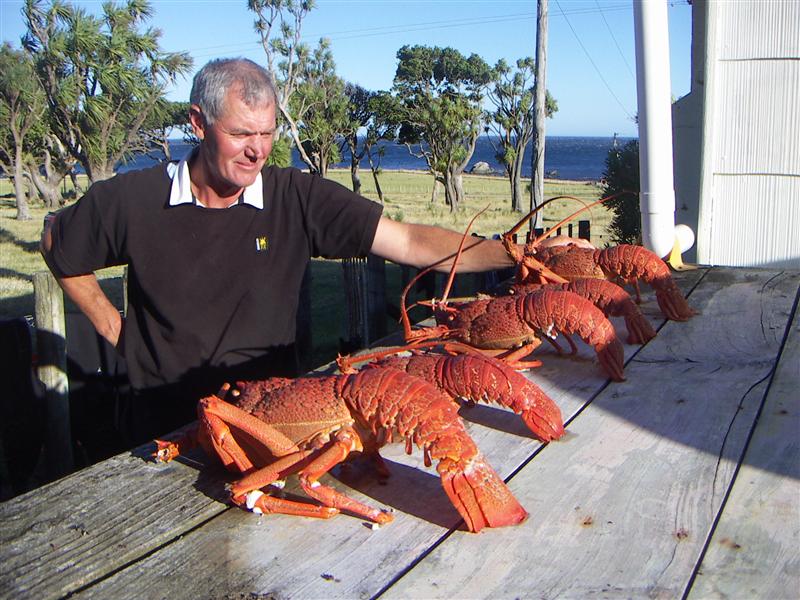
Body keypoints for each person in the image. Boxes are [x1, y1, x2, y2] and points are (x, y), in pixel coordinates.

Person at [40, 57, 582, 447]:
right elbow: (55, 242)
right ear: (198, 123)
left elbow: (409, 241)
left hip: (276, 427)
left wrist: (517, 253)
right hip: (164, 426)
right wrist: (120, 333)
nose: (257, 150)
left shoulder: (295, 198)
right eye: (241, 133)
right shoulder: (133, 200)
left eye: (267, 133)